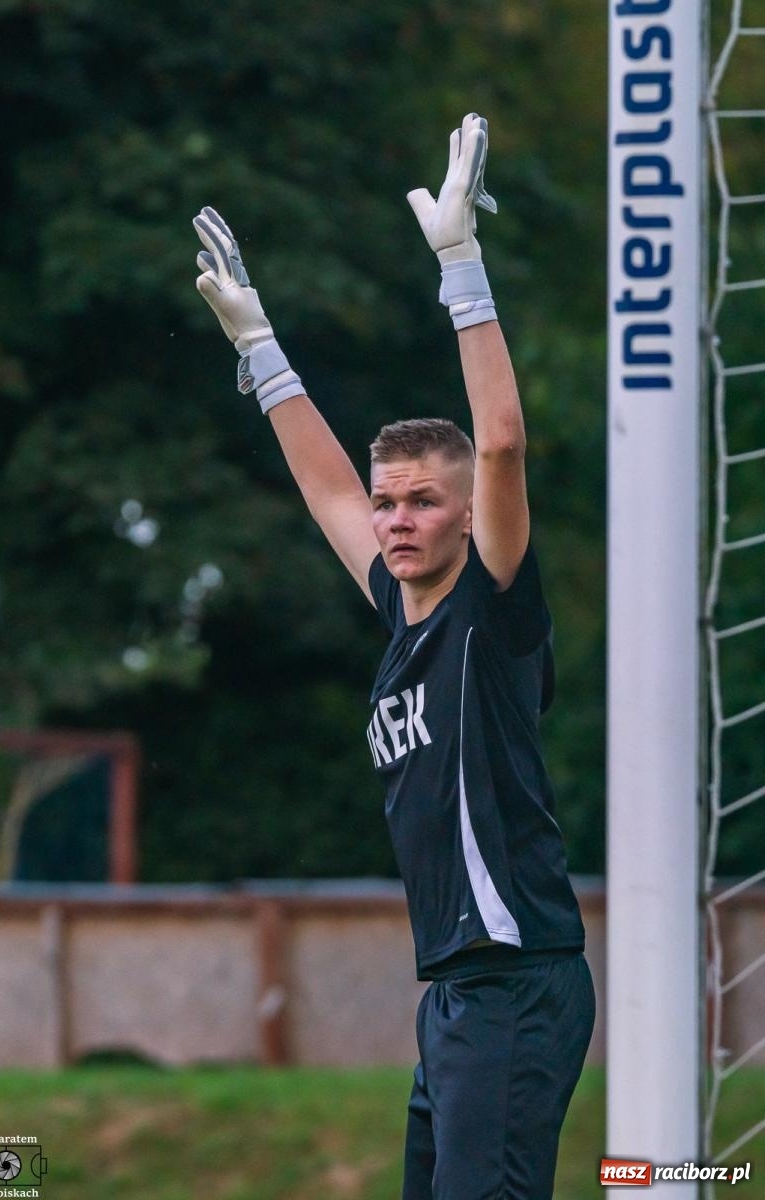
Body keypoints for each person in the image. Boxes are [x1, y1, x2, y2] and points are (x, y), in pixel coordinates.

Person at [193, 112, 595, 1200]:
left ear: (466, 518)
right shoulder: (397, 612)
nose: (397, 519)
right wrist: (256, 345)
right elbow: (326, 487)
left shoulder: (490, 614)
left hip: (516, 983)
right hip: (454, 999)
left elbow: (500, 440)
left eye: (423, 501)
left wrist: (459, 263)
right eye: (390, 502)